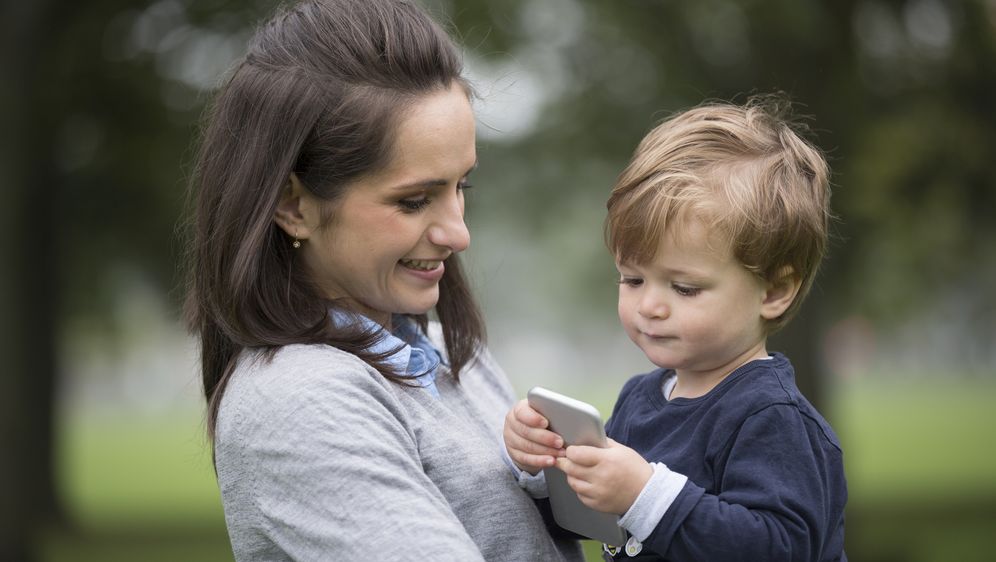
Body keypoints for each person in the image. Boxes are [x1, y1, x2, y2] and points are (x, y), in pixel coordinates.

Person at [183, 0, 584, 560]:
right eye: (414, 200)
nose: (457, 234)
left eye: (460, 187)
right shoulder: (300, 401)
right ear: (291, 205)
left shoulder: (451, 358)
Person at [503, 98, 847, 561]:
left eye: (684, 288)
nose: (649, 306)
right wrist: (543, 468)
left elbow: (777, 548)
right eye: (633, 279)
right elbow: (594, 525)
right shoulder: (639, 400)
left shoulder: (773, 418)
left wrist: (644, 495)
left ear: (773, 291)